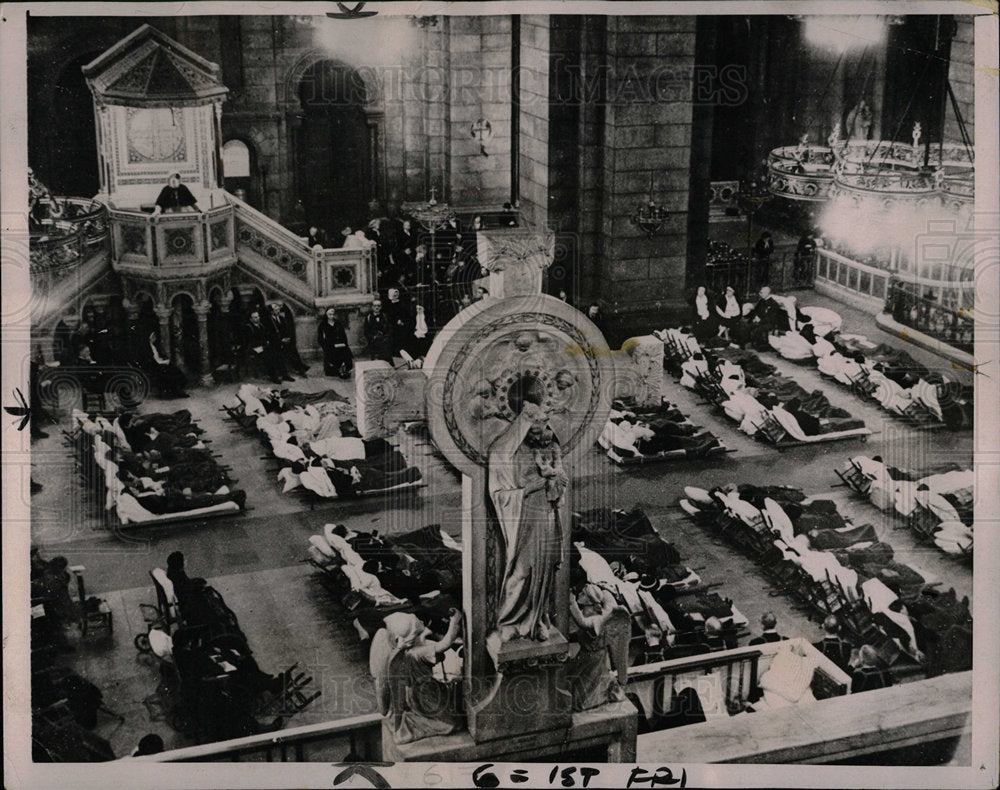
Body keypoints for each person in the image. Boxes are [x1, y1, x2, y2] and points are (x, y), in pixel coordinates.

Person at [488, 392, 568, 649]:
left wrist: (554, 479)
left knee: (543, 570)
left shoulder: (550, 447)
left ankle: (537, 619)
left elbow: (562, 483)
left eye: (542, 429)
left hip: (545, 514)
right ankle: (509, 620)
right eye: (532, 431)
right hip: (522, 517)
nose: (538, 436)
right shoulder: (506, 451)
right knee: (522, 570)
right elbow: (499, 494)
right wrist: (529, 490)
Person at [369, 609, 464, 744]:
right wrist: (455, 622)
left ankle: (408, 720)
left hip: (415, 693)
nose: (427, 633)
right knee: (452, 723)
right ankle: (409, 725)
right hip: (425, 692)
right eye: (421, 633)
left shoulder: (401, 654)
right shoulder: (418, 653)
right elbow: (446, 643)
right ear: (414, 637)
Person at [136, 332, 189, 398]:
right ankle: (174, 390)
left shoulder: (154, 345)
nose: (154, 338)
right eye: (152, 337)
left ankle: (176, 389)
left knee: (173, 368)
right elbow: (149, 359)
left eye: (154, 337)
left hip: (159, 363)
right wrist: (161, 362)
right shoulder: (146, 347)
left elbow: (159, 355)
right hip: (154, 365)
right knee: (168, 371)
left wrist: (164, 360)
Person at [245, 309, 289, 384]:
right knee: (268, 356)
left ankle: (284, 374)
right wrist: (263, 343)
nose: (258, 318)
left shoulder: (261, 325)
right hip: (253, 348)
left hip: (263, 346)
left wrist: (267, 342)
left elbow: (266, 335)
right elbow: (250, 341)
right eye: (255, 317)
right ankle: (274, 377)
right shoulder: (248, 328)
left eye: (258, 316)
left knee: (277, 352)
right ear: (251, 319)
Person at [266, 302, 308, 377]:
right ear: (271, 311)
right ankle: (284, 374)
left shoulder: (282, 318)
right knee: (278, 352)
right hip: (275, 342)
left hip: (284, 341)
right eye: (276, 309)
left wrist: (287, 338)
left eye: (278, 309)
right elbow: (269, 335)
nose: (278, 311)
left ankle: (300, 369)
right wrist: (281, 340)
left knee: (292, 348)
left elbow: (286, 330)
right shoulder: (268, 321)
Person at [317, 308, 353, 378]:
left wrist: (344, 343)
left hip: (339, 343)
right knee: (332, 353)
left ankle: (345, 368)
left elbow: (343, 335)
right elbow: (320, 338)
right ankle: (336, 369)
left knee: (346, 352)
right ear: (326, 315)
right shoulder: (323, 324)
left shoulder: (338, 323)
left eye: (333, 314)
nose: (331, 316)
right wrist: (325, 346)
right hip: (329, 344)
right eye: (330, 314)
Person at [363, 299, 393, 364]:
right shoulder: (368, 317)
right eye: (375, 306)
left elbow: (390, 329)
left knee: (386, 359)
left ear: (381, 307)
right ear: (372, 307)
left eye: (378, 306)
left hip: (384, 341)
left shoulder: (385, 316)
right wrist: (372, 337)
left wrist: (386, 337)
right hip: (374, 342)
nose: (377, 307)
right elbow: (366, 331)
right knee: (376, 361)